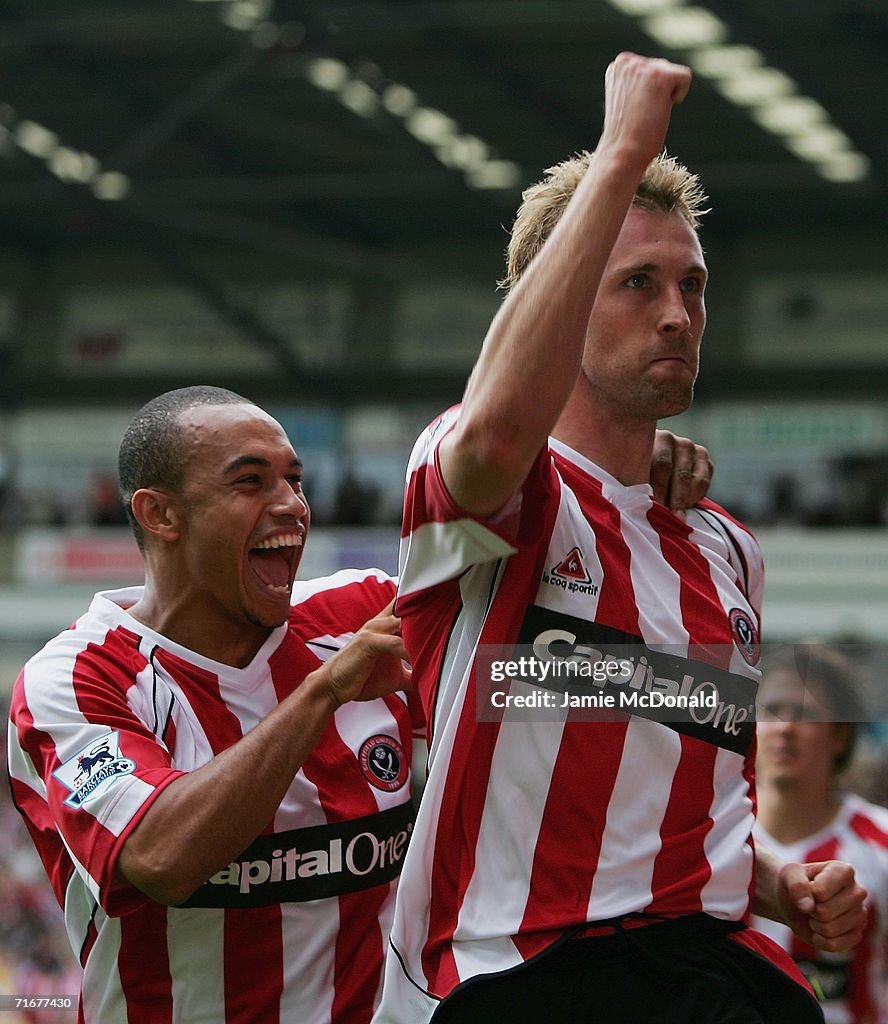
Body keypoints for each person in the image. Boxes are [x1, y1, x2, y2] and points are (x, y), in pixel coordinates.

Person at [376, 54, 866, 1023]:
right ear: (556, 302)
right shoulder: (487, 486)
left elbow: (675, 796)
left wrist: (776, 884)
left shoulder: (725, 547)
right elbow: (497, 437)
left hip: (709, 967)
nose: (679, 314)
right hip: (521, 973)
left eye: (692, 285)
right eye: (637, 283)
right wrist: (619, 155)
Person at [7, 385, 712, 1024]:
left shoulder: (366, 608)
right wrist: (326, 692)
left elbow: (509, 533)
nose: (289, 504)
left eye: (294, 480)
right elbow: (162, 857)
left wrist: (604, 475)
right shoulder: (74, 680)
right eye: (250, 483)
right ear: (160, 514)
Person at [753, 644, 888, 1024]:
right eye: (773, 711)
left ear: (840, 736)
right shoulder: (709, 837)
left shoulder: (880, 841)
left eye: (806, 714)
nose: (786, 728)